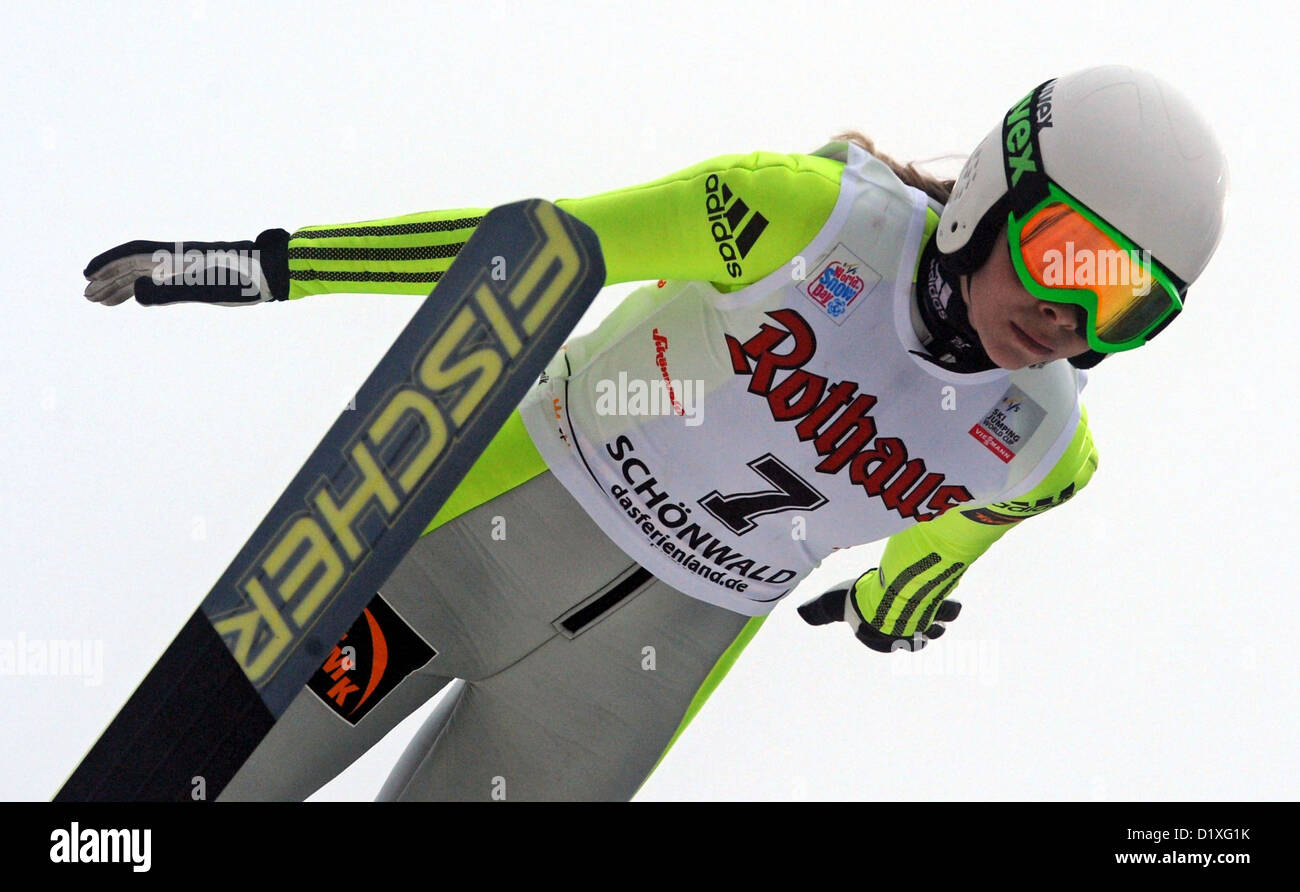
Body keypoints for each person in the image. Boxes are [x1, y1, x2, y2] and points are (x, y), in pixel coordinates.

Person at [81, 65, 1227, 801]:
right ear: (993, 194)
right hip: (459, 559)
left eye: (1127, 309)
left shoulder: (1036, 447)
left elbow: (948, 544)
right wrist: (268, 264)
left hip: (625, 688)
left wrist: (891, 614)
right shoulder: (802, 219)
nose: (1067, 319)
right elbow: (529, 250)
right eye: (1068, 261)